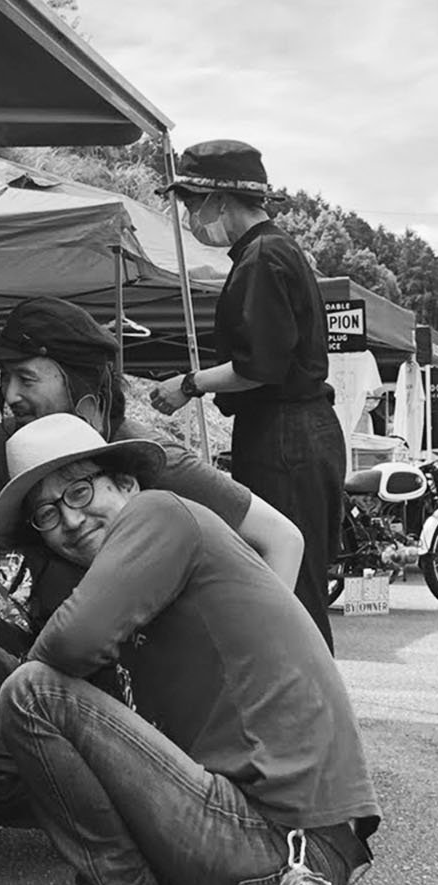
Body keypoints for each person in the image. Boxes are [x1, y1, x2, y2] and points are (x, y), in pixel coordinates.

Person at [0, 413, 378, 885]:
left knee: (36, 691)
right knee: (33, 695)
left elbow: (44, 677)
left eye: (80, 491)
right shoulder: (136, 604)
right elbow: (25, 708)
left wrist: (42, 656)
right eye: (47, 514)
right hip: (270, 866)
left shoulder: (163, 514)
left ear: (127, 484)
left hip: (288, 853)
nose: (70, 520)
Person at [0, 296, 304, 851]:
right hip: (61, 657)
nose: (9, 395)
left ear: (86, 400)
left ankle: (125, 808)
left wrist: (252, 680)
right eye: (4, 378)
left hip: (137, 684)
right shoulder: (14, 442)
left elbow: (283, 539)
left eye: (26, 377)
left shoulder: (149, 459)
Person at [149, 139, 343, 653]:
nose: (190, 216)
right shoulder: (275, 251)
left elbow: (259, 368)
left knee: (288, 587)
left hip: (285, 435)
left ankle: (308, 697)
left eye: (192, 203)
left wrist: (188, 384)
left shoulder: (262, 258)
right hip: (298, 431)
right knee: (295, 581)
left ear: (220, 199)